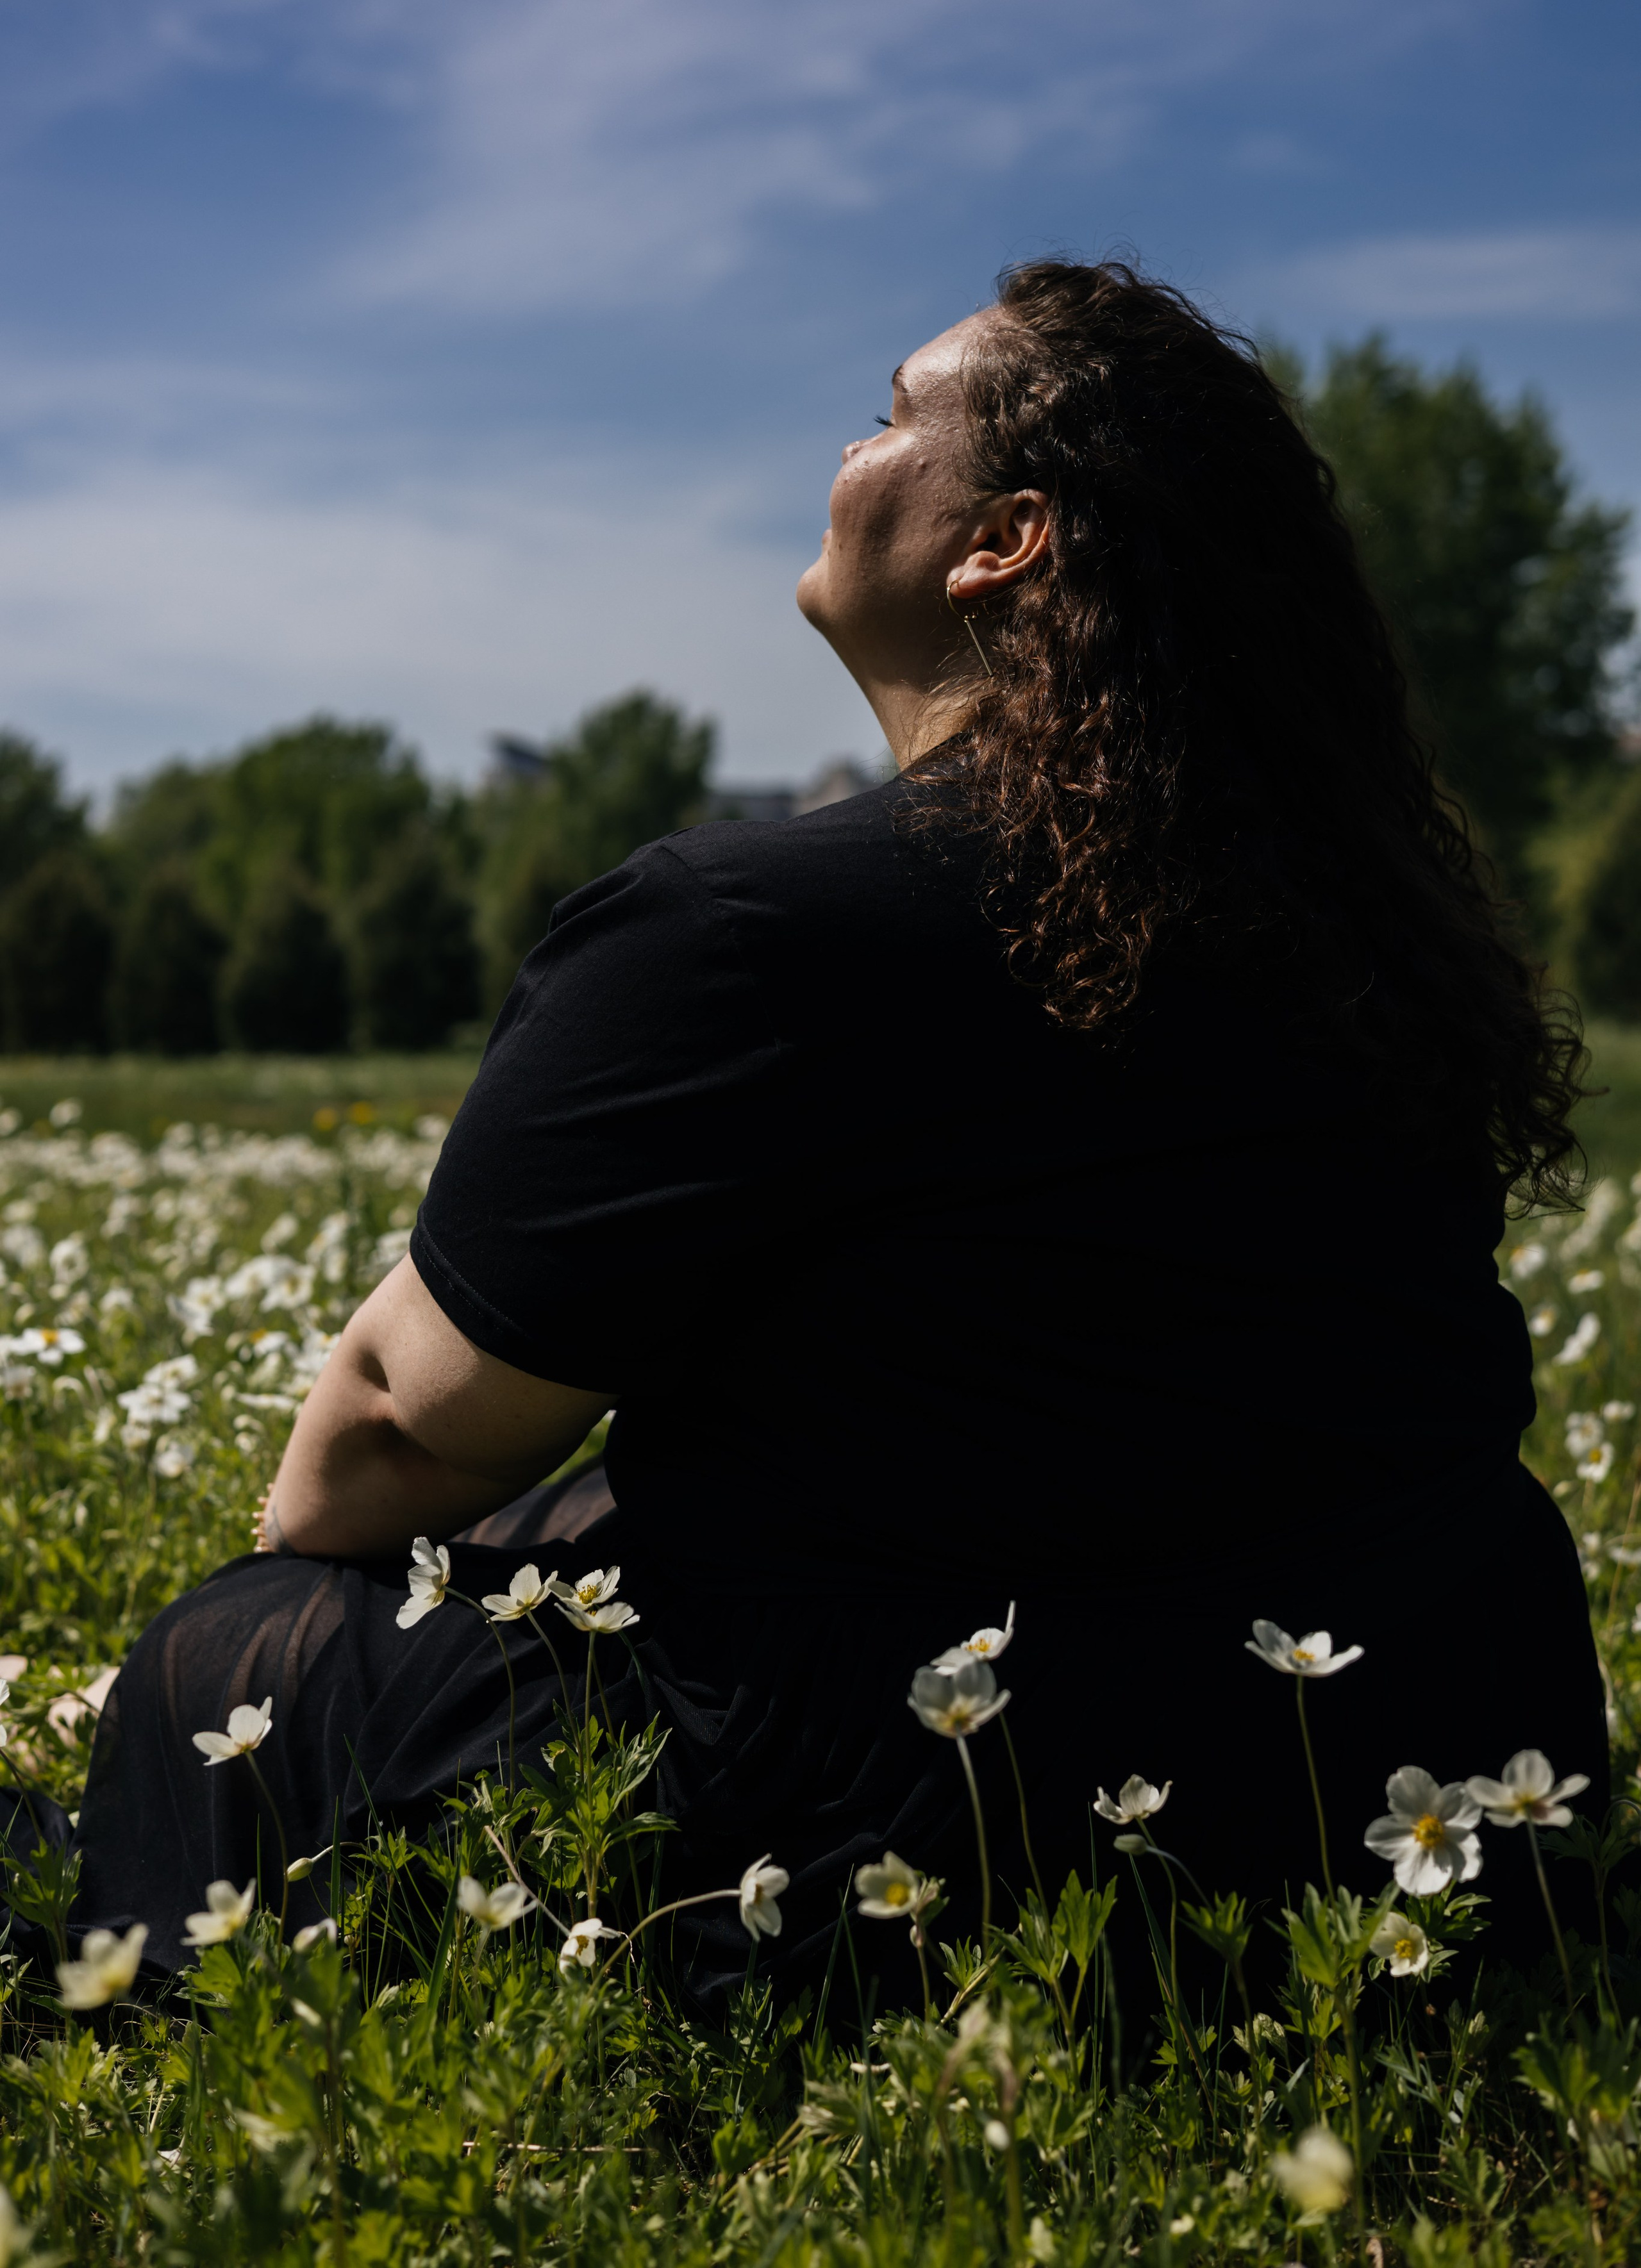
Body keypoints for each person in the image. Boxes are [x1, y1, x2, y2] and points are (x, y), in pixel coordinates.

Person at [15, 260, 1606, 2005]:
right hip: (1405, 1787)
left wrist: (317, 1596)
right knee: (590, 1523)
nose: (848, 450)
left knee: (234, 1652)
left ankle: (145, 2001)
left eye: (888, 414)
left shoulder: (742, 928)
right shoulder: (1363, 947)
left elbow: (384, 1443)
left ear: (999, 541)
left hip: (958, 1834)